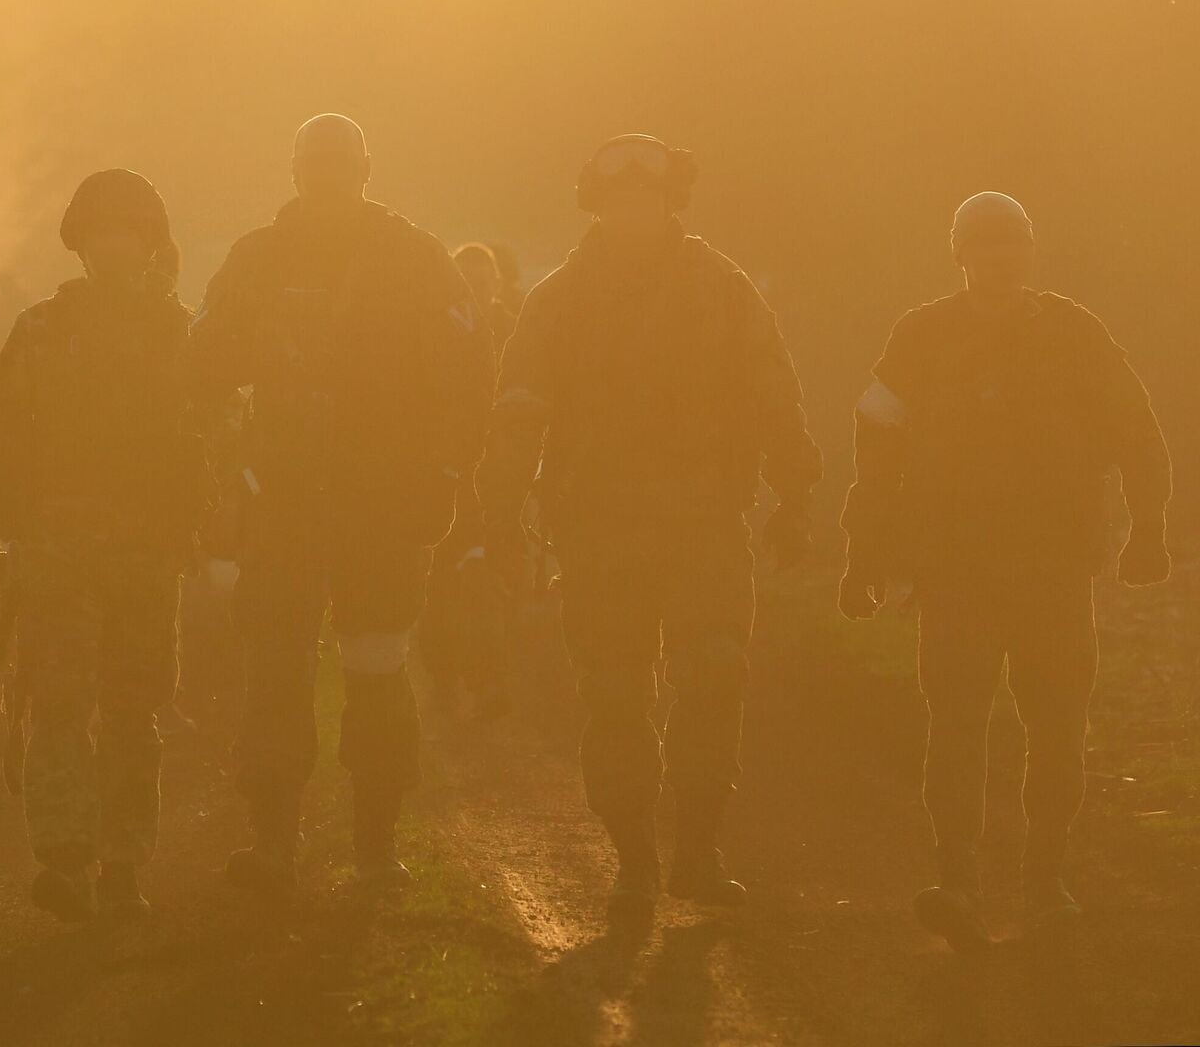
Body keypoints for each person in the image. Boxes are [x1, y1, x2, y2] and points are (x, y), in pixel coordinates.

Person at [477, 134, 822, 922]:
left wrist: (797, 491)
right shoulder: (559, 300)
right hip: (599, 533)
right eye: (620, 201)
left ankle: (698, 851)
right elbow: (519, 408)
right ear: (599, 207)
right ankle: (635, 860)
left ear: (672, 203)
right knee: (616, 694)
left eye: (649, 199)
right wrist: (498, 511)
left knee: (718, 672)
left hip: (705, 525)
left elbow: (772, 386)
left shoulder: (723, 288)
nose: (636, 213)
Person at [839, 191, 1172, 950]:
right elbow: (876, 448)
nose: (1001, 257)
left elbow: (1135, 425)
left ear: (1030, 251)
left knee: (1056, 728)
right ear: (961, 255)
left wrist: (1150, 527)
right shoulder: (919, 336)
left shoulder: (1075, 332)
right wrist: (865, 555)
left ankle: (1044, 881)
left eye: (1013, 243)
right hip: (956, 573)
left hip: (1055, 571)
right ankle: (957, 881)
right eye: (986, 245)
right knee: (956, 727)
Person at [188, 114, 494, 894]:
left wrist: (446, 475)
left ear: (362, 172)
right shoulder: (261, 260)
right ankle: (279, 848)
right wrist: (218, 474)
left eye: (337, 170)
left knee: (374, 670)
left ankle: (374, 847)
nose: (326, 183)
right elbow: (203, 368)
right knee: (279, 674)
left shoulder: (412, 259)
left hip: (380, 506)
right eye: (316, 170)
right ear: (299, 175)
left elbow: (468, 374)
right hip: (288, 502)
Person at [0, 169, 206, 922]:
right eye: (101, 233)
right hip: (56, 552)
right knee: (59, 704)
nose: (115, 247)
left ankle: (124, 862)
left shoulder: (182, 334)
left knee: (134, 712)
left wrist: (202, 517)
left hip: (145, 555)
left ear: (150, 242)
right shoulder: (43, 330)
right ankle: (65, 859)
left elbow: (213, 439)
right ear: (81, 243)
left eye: (128, 232)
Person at [420, 242, 520, 719]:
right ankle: (443, 677)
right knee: (437, 582)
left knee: (484, 577)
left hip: (497, 477)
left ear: (497, 285)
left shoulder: (517, 332)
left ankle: (488, 678)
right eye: (466, 283)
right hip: (444, 472)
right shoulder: (433, 331)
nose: (474, 292)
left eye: (482, 283)